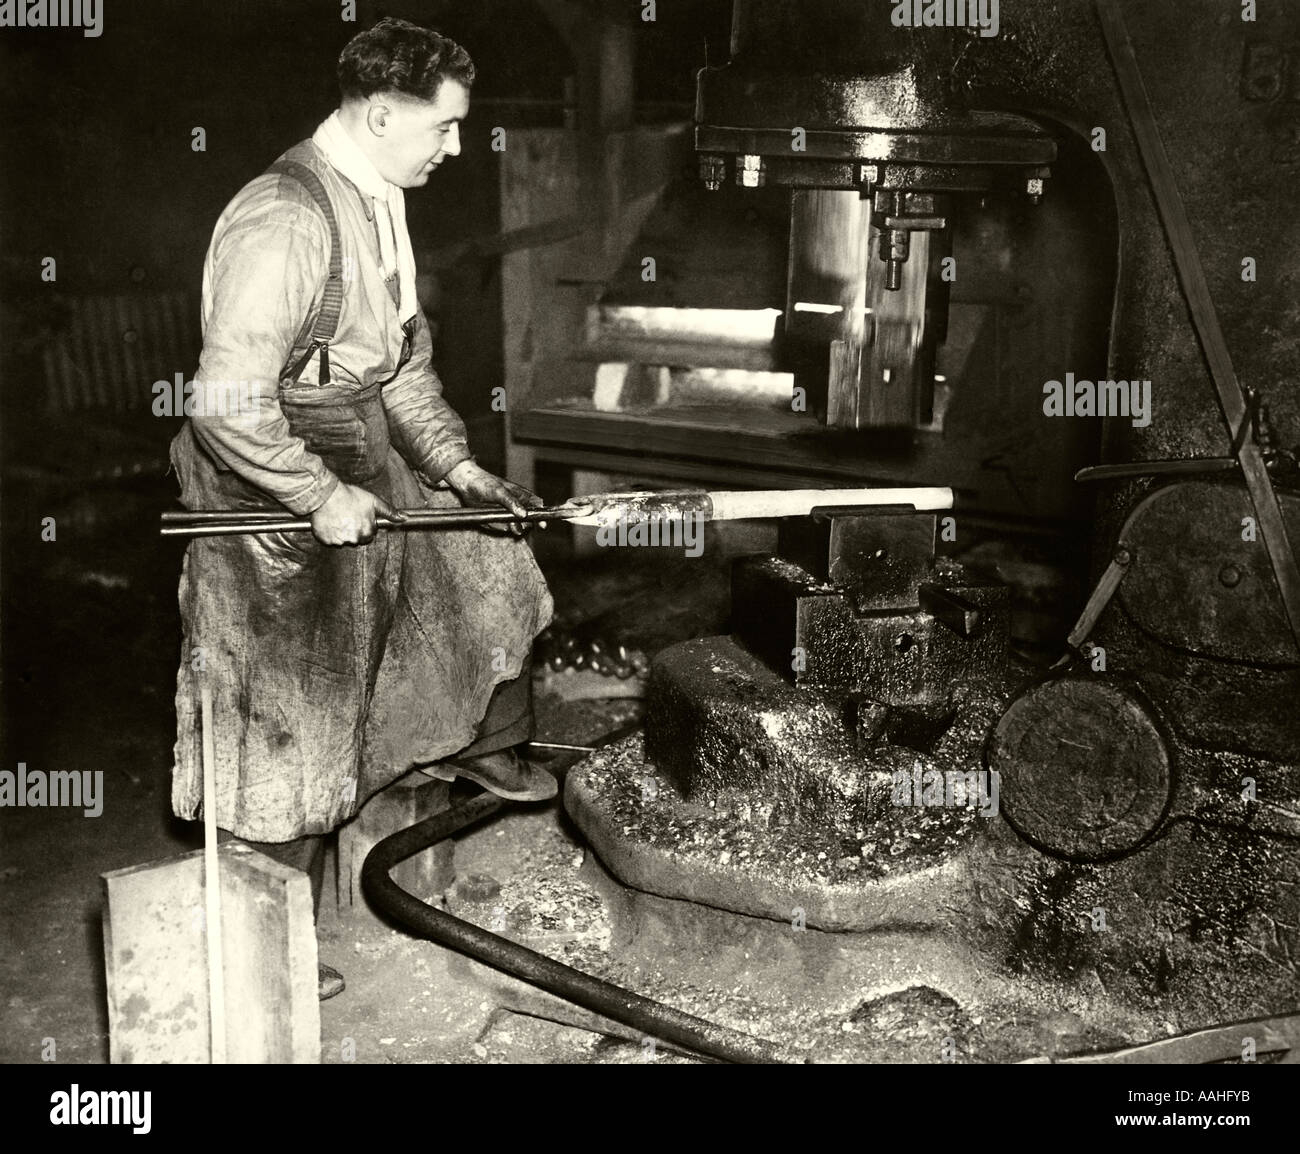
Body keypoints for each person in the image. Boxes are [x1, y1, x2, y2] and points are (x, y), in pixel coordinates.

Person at [168, 18, 555, 999]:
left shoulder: (381, 196)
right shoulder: (286, 219)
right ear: (382, 114)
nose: (456, 147)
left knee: (488, 567)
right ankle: (252, 960)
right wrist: (317, 492)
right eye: (446, 128)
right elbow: (223, 404)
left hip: (353, 442)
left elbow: (397, 369)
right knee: (289, 714)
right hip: (262, 473)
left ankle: (472, 746)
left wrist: (460, 471)